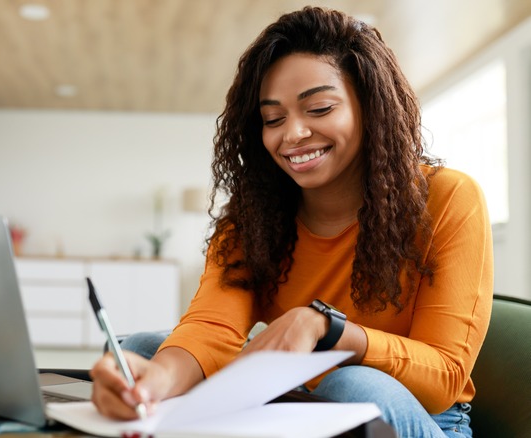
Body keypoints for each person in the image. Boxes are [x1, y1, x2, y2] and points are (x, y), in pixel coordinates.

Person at [90, 6, 493, 438]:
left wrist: (329, 328)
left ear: (370, 107)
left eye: (318, 108)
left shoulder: (449, 198)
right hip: (299, 402)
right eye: (273, 118)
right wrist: (152, 386)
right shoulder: (254, 215)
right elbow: (211, 326)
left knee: (351, 384)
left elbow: (445, 377)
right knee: (143, 351)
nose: (293, 134)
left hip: (420, 417)